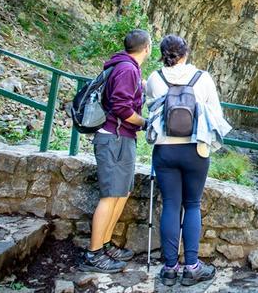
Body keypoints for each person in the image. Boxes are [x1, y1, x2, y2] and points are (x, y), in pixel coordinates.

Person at [145, 35, 221, 286]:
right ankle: (192, 267)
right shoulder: (203, 77)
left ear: (162, 54)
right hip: (195, 150)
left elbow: (150, 108)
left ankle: (169, 269)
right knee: (192, 205)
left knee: (170, 204)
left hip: (165, 151)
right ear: (186, 53)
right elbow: (215, 115)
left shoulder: (155, 78)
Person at [79, 29, 151, 273]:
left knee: (122, 192)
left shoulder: (126, 66)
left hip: (121, 138)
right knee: (110, 196)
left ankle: (105, 244)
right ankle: (93, 253)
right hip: (114, 138)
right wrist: (144, 122)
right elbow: (121, 107)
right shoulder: (127, 69)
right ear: (147, 48)